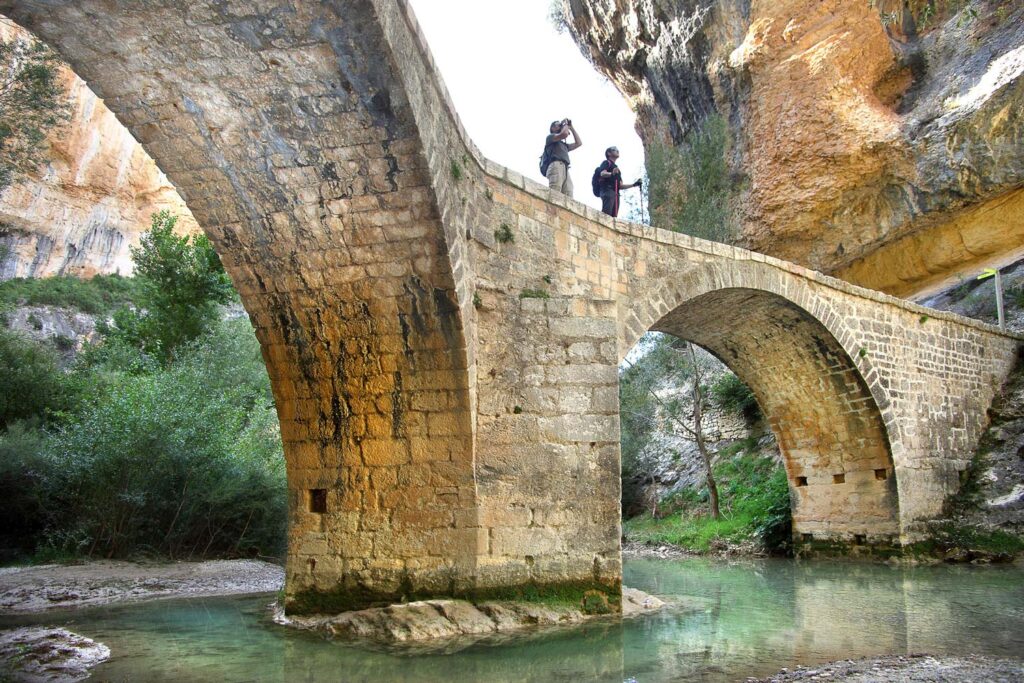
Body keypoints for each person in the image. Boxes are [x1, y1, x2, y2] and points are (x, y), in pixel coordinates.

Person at [597, 146, 641, 218]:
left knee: (614, 217)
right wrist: (612, 174)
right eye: (614, 150)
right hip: (607, 191)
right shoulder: (606, 162)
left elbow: (620, 185)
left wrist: (633, 185)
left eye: (617, 150)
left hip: (616, 194)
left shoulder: (617, 169)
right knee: (606, 215)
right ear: (608, 153)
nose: (617, 151)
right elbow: (602, 173)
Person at [544, 119, 582, 197]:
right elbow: (564, 134)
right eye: (558, 125)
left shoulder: (564, 145)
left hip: (565, 168)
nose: (560, 126)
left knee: (569, 193)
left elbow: (579, 143)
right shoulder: (550, 138)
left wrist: (571, 128)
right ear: (552, 128)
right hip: (556, 165)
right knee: (555, 192)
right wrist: (565, 125)